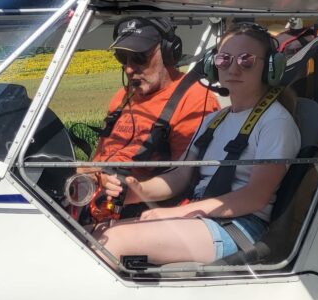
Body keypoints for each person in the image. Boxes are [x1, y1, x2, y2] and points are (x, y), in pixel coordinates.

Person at [95, 21, 301, 264]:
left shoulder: (275, 122)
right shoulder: (215, 120)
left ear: (270, 67)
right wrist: (136, 191)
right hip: (203, 217)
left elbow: (255, 197)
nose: (233, 69)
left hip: (240, 225)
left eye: (246, 60)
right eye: (224, 59)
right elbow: (180, 176)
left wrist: (175, 213)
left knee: (114, 240)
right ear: (213, 66)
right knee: (94, 234)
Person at [78, 16, 218, 221]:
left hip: (140, 208)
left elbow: (183, 179)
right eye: (122, 57)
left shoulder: (194, 99)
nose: (129, 68)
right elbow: (100, 158)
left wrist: (128, 189)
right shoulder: (122, 96)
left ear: (169, 52)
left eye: (139, 57)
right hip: (95, 199)